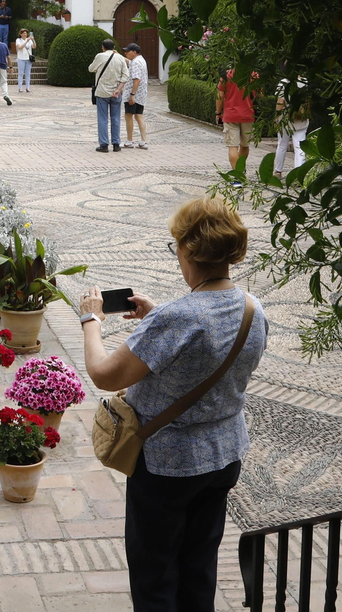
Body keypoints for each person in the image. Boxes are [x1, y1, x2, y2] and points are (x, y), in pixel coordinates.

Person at [77, 196, 267, 612]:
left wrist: (91, 320)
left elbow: (105, 374)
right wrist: (156, 313)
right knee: (199, 566)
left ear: (189, 250)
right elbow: (210, 339)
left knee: (155, 575)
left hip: (167, 464)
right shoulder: (253, 308)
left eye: (176, 244)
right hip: (223, 456)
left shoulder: (178, 317)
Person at [90, 38, 129, 153]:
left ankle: (104, 144)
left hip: (102, 92)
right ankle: (116, 144)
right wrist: (118, 89)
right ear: (114, 48)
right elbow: (126, 76)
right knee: (115, 118)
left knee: (103, 118)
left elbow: (90, 68)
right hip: (116, 93)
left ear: (103, 47)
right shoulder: (121, 58)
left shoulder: (100, 56)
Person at [216, 68, 256, 178]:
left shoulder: (226, 75)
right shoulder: (253, 75)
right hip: (248, 114)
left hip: (230, 115)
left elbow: (220, 96)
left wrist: (218, 113)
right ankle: (240, 170)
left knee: (232, 147)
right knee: (245, 145)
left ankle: (238, 176)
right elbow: (259, 94)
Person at [123, 43, 150, 149]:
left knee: (128, 116)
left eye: (127, 51)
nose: (125, 53)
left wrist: (132, 94)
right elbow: (129, 62)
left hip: (134, 94)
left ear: (134, 52)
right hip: (142, 94)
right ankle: (143, 141)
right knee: (139, 116)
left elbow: (137, 79)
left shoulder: (135, 63)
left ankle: (129, 140)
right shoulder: (141, 60)